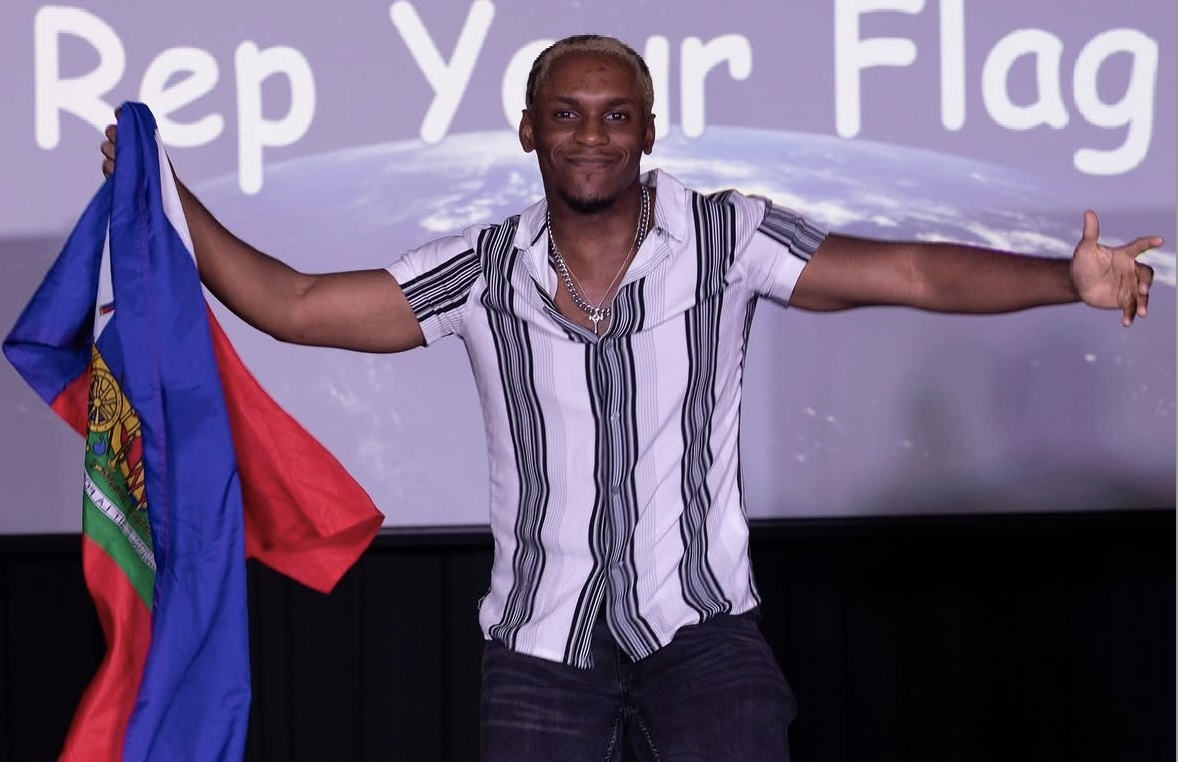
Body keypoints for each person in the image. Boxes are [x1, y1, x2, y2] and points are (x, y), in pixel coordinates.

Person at [101, 33, 1160, 762]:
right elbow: (288, 302)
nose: (591, 134)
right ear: (528, 132)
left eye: (615, 115)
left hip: (703, 642)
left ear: (647, 129)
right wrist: (169, 197)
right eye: (566, 114)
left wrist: (1055, 281)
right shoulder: (474, 269)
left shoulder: (725, 240)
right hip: (537, 655)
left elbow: (915, 276)